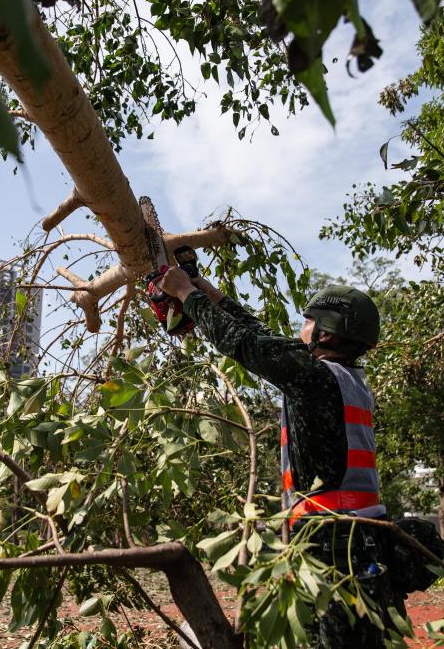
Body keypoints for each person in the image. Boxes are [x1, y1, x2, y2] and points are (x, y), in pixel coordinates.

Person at [159, 268, 398, 648]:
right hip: (360, 531)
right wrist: (207, 291)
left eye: (308, 321)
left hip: (329, 540)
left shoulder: (314, 378)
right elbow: (260, 335)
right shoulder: (345, 377)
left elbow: (244, 344)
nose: (300, 327)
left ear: (327, 332)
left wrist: (186, 293)